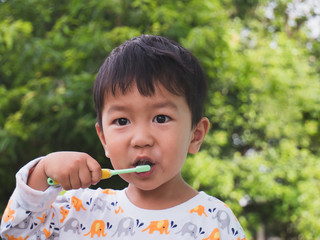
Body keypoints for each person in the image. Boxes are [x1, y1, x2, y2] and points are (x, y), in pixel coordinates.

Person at [1, 35, 246, 239]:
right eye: (122, 121)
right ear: (104, 139)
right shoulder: (80, 210)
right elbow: (15, 232)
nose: (140, 139)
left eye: (160, 118)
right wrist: (44, 170)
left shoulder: (216, 222)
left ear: (196, 135)